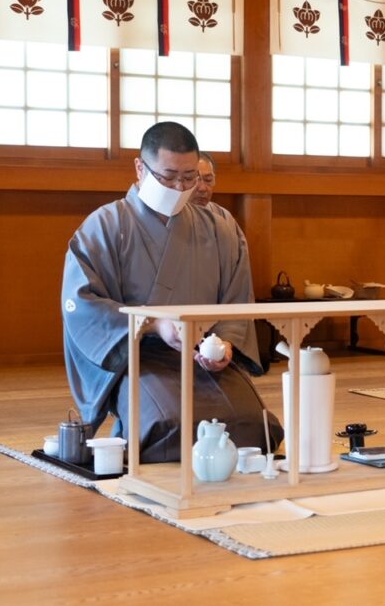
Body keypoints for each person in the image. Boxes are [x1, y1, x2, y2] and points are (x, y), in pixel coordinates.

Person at [61, 121, 283, 463]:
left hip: (203, 355)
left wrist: (225, 343)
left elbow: (237, 298)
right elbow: (83, 303)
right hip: (137, 355)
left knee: (257, 429)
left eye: (189, 177)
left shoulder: (220, 227)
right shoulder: (105, 226)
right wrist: (154, 324)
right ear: (140, 168)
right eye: (168, 177)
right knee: (167, 427)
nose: (180, 187)